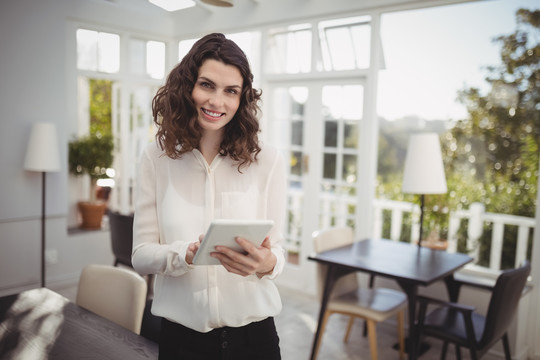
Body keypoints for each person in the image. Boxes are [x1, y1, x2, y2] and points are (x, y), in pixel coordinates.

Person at [131, 33, 286, 360]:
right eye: (207, 85)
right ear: (186, 86)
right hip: (181, 341)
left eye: (231, 91)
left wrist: (267, 262)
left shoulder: (267, 160)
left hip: (255, 339)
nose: (218, 101)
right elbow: (141, 254)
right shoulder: (155, 158)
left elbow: (279, 249)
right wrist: (182, 255)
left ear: (242, 98)